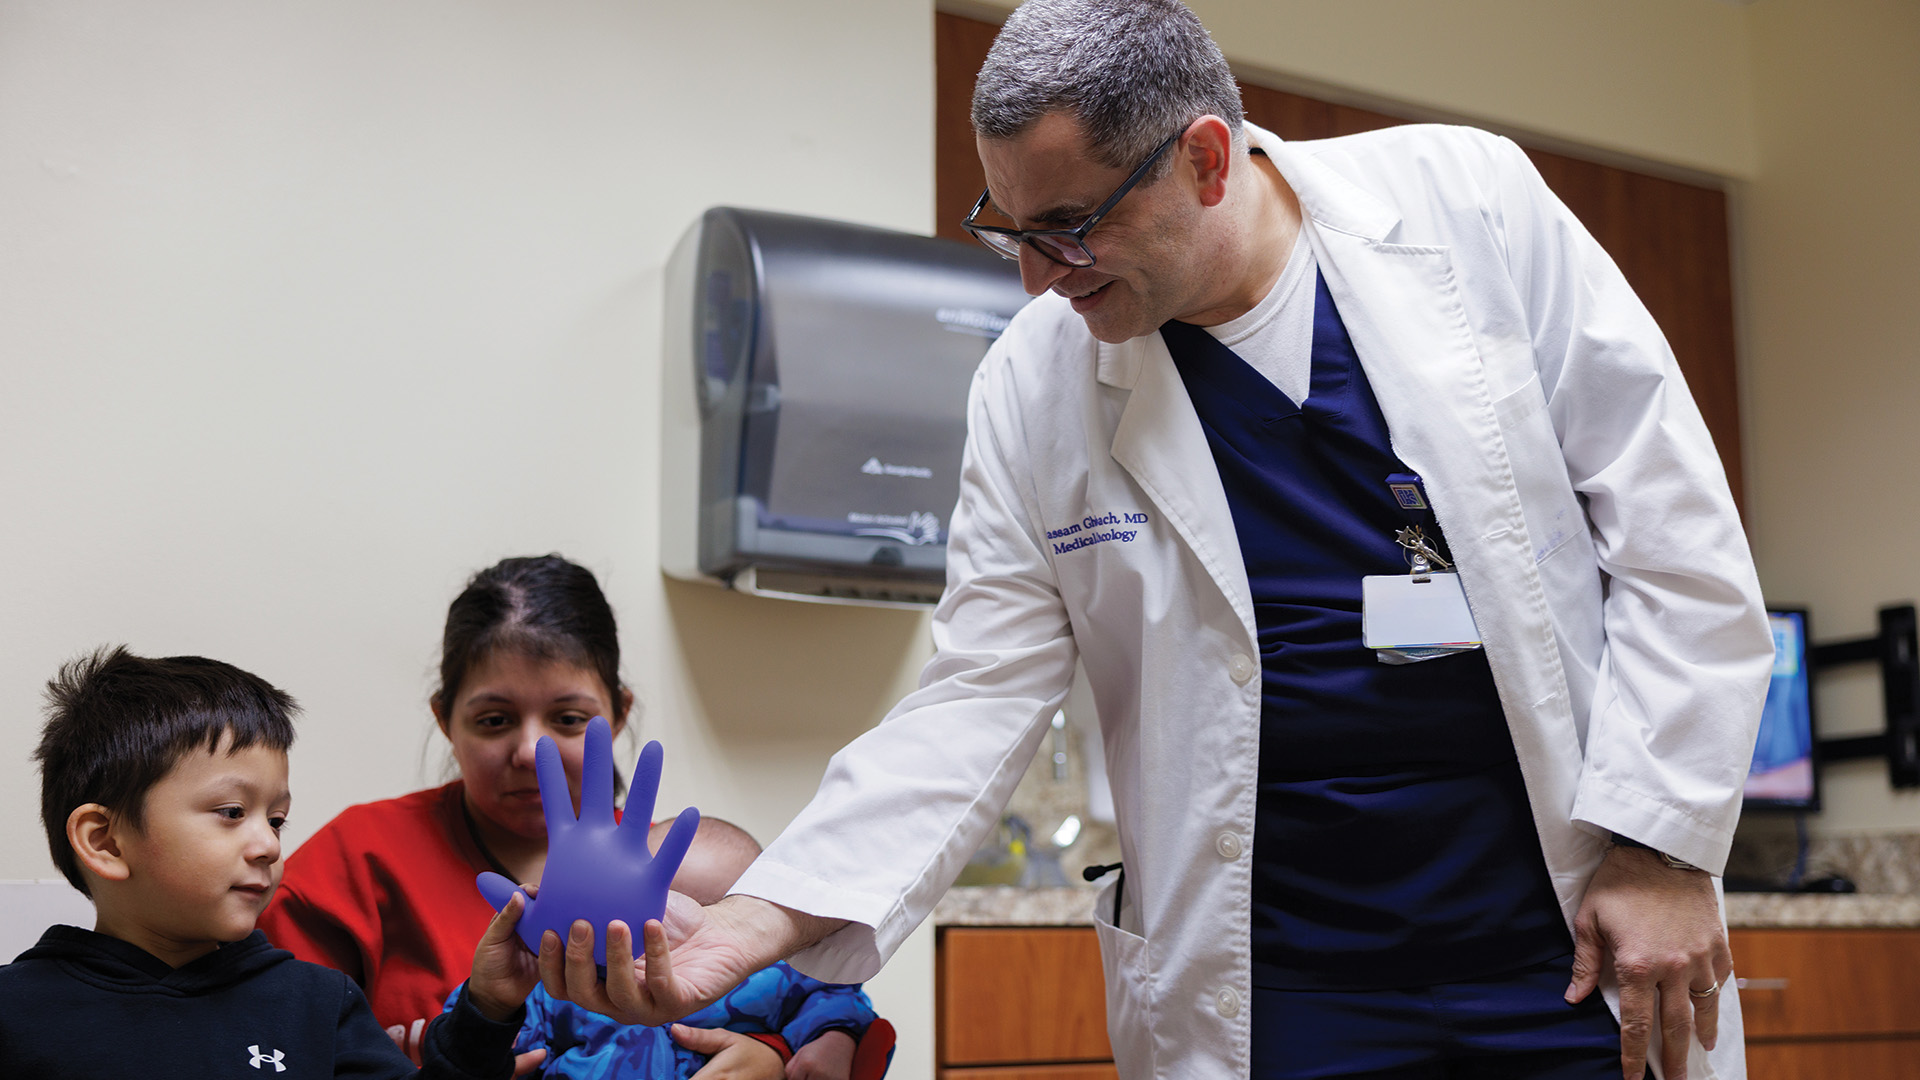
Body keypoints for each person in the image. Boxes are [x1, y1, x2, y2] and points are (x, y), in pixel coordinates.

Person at [538, 3, 1773, 1078]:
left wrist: (1664, 847)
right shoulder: (1035, 378)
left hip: (1562, 941)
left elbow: (1674, 532)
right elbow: (974, 698)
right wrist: (748, 926)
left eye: (1069, 226)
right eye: (1007, 227)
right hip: (1281, 982)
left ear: (1207, 158)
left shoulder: (1468, 208)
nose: (1037, 281)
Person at [260, 554, 867, 1080]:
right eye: (494, 720)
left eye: (569, 719)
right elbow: (272, 1041)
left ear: (619, 712)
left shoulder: (679, 866)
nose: (531, 752)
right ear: (445, 719)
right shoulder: (357, 860)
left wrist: (771, 1054)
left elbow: (817, 1001)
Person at [2, 645, 540, 1079]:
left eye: (276, 819)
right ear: (106, 841)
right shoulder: (16, 1012)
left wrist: (487, 1008)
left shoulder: (317, 1004)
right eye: (232, 812)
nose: (269, 845)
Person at [479, 818, 887, 1080]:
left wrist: (833, 1040)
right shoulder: (580, 975)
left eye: (710, 915)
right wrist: (487, 1034)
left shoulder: (772, 975)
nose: (671, 937)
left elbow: (838, 999)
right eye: (657, 913)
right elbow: (506, 1028)